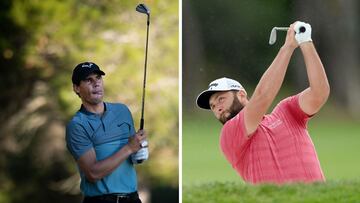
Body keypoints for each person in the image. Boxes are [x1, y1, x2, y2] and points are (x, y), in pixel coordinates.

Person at [196, 21, 330, 184]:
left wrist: (305, 42)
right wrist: (288, 47)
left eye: (221, 99)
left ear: (241, 95)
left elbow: (319, 93)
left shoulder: (287, 112)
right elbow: (262, 97)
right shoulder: (230, 134)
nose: (217, 108)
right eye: (212, 106)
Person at [66, 62, 149, 203]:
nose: (96, 83)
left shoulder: (122, 111)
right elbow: (93, 173)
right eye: (88, 80)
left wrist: (139, 152)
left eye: (98, 78)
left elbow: (130, 154)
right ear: (76, 88)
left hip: (132, 198)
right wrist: (129, 148)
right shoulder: (77, 125)